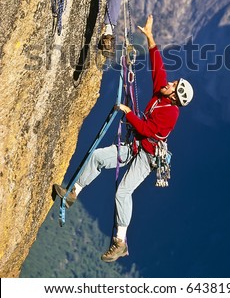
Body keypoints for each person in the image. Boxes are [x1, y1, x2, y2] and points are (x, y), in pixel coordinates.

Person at [53, 15, 194, 262]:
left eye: (173, 85)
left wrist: (128, 114)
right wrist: (149, 35)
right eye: (172, 82)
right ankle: (72, 193)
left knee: (122, 192)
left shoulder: (170, 114)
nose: (169, 82)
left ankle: (120, 242)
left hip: (147, 156)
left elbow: (148, 130)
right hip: (137, 145)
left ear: (175, 97)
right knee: (97, 157)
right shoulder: (162, 95)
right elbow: (157, 66)